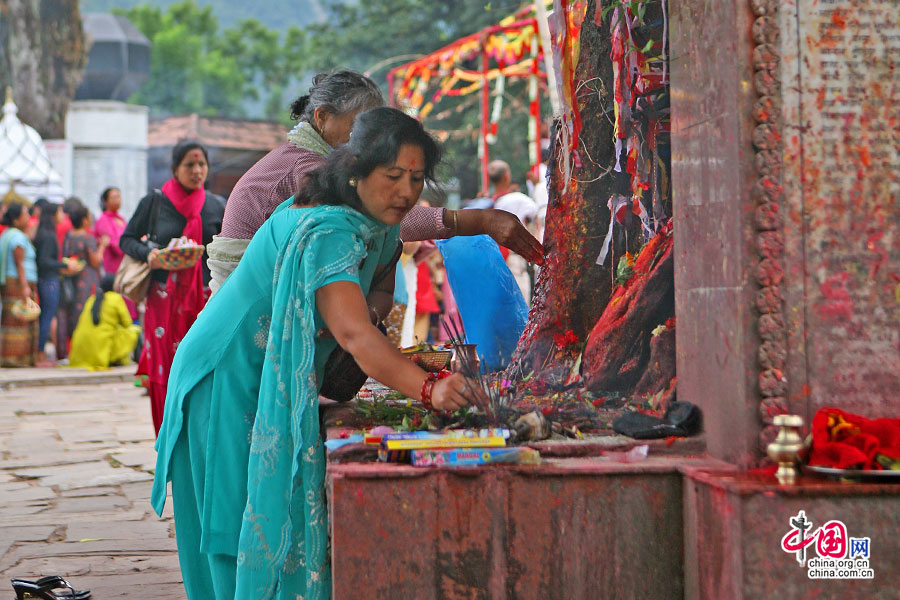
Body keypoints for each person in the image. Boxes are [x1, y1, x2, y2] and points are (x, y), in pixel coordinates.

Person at [152, 108, 481, 600]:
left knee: (264, 515)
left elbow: (367, 309)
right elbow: (354, 335)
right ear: (355, 173)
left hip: (258, 370)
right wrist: (430, 387)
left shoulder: (375, 221)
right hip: (225, 372)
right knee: (234, 525)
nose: (407, 192)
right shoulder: (327, 229)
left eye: (416, 178)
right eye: (392, 176)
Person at [206, 69, 543, 296]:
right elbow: (382, 215)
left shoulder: (322, 162)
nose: (365, 140)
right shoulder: (307, 166)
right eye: (357, 127)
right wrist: (478, 220)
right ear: (322, 117)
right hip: (248, 299)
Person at [120, 141, 225, 433]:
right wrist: (149, 255)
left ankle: (197, 439)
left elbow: (228, 249)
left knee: (202, 369)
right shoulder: (155, 202)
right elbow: (126, 239)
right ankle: (167, 439)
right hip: (163, 302)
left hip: (204, 301)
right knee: (165, 370)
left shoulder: (216, 206)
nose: (197, 171)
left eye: (201, 164)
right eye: (189, 165)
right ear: (174, 169)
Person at [33, 200, 82, 365]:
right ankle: (39, 354)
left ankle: (39, 352)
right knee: (47, 317)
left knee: (46, 317)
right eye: (60, 212)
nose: (63, 215)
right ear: (54, 214)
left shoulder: (45, 232)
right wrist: (64, 264)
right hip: (49, 280)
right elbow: (45, 261)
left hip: (47, 279)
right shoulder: (48, 236)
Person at [58, 205, 106, 362]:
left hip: (72, 278)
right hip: (87, 280)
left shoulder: (69, 236)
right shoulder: (87, 237)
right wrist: (103, 247)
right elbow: (95, 261)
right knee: (86, 313)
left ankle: (72, 350)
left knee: (72, 315)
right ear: (85, 220)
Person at [68, 274, 140, 370]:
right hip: (99, 352)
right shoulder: (116, 298)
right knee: (134, 330)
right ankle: (117, 359)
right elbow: (127, 323)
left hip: (79, 354)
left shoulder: (91, 299)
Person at [0, 202, 39, 366]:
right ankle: (17, 358)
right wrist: (24, 286)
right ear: (16, 220)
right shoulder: (17, 237)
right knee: (20, 319)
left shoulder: (8, 234)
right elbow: (19, 263)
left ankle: (11, 357)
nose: (28, 217)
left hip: (11, 281)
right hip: (17, 282)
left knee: (12, 318)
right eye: (25, 214)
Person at [94, 187, 137, 319]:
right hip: (113, 267)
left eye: (119, 196)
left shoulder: (121, 219)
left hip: (126, 266)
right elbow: (116, 245)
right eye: (113, 197)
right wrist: (132, 246)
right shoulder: (103, 220)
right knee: (117, 299)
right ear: (105, 202)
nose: (117, 200)